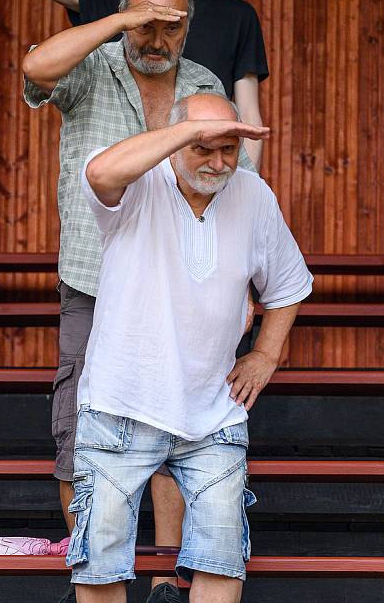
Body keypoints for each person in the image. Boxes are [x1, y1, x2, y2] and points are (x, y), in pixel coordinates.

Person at [22, 0, 252, 603]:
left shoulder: (204, 83)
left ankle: (169, 576)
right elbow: (36, 66)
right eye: (146, 23)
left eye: (171, 25)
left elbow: (236, 180)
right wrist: (122, 20)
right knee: (81, 427)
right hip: (95, 276)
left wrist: (248, 278)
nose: (158, 37)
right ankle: (90, 565)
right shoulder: (93, 64)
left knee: (179, 422)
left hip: (183, 285)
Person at [68, 93, 313, 603]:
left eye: (229, 148)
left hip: (214, 412)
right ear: (175, 140)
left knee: (223, 560)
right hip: (120, 405)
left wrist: (265, 355)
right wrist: (185, 132)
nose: (220, 162)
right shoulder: (138, 181)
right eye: (205, 149)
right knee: (101, 565)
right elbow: (98, 174)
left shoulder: (254, 194)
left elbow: (289, 285)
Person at [33, 0, 269, 169]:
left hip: (196, 170)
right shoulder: (122, 5)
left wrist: (246, 186)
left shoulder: (237, 15)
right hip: (120, 168)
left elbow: (248, 113)